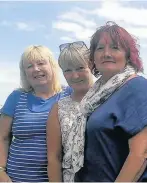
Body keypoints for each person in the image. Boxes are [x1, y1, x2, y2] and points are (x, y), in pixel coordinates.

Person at [71, 21, 147, 182]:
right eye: (100, 48)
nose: (106, 53)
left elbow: (141, 153)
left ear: (128, 55)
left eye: (115, 47)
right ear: (93, 57)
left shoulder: (137, 88)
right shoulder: (95, 95)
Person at [0, 45, 72, 182]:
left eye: (41, 63)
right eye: (29, 66)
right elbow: (2, 137)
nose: (36, 69)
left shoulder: (68, 94)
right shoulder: (16, 97)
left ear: (52, 66)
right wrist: (0, 171)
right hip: (15, 179)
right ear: (24, 72)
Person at [47, 41, 94, 182]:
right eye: (68, 70)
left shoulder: (109, 98)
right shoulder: (58, 108)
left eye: (80, 68)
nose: (75, 76)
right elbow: (54, 157)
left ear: (91, 65)